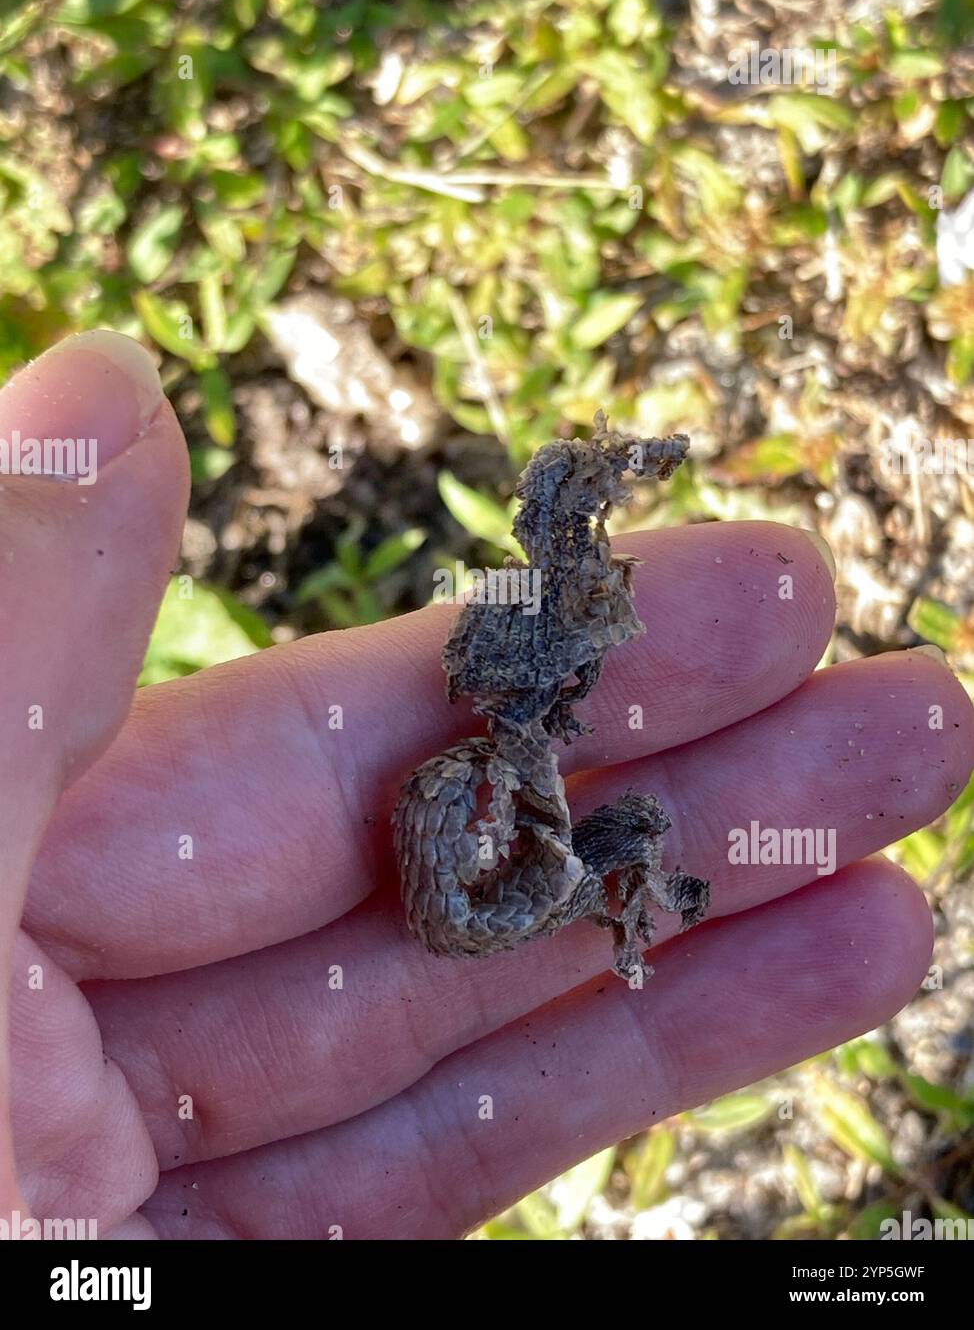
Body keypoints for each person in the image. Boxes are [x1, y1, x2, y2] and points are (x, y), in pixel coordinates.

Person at [1, 332, 970, 1240]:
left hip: (497, 838)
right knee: (628, 821)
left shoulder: (525, 648)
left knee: (626, 821)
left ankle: (632, 899)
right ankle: (635, 901)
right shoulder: (507, 674)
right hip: (491, 847)